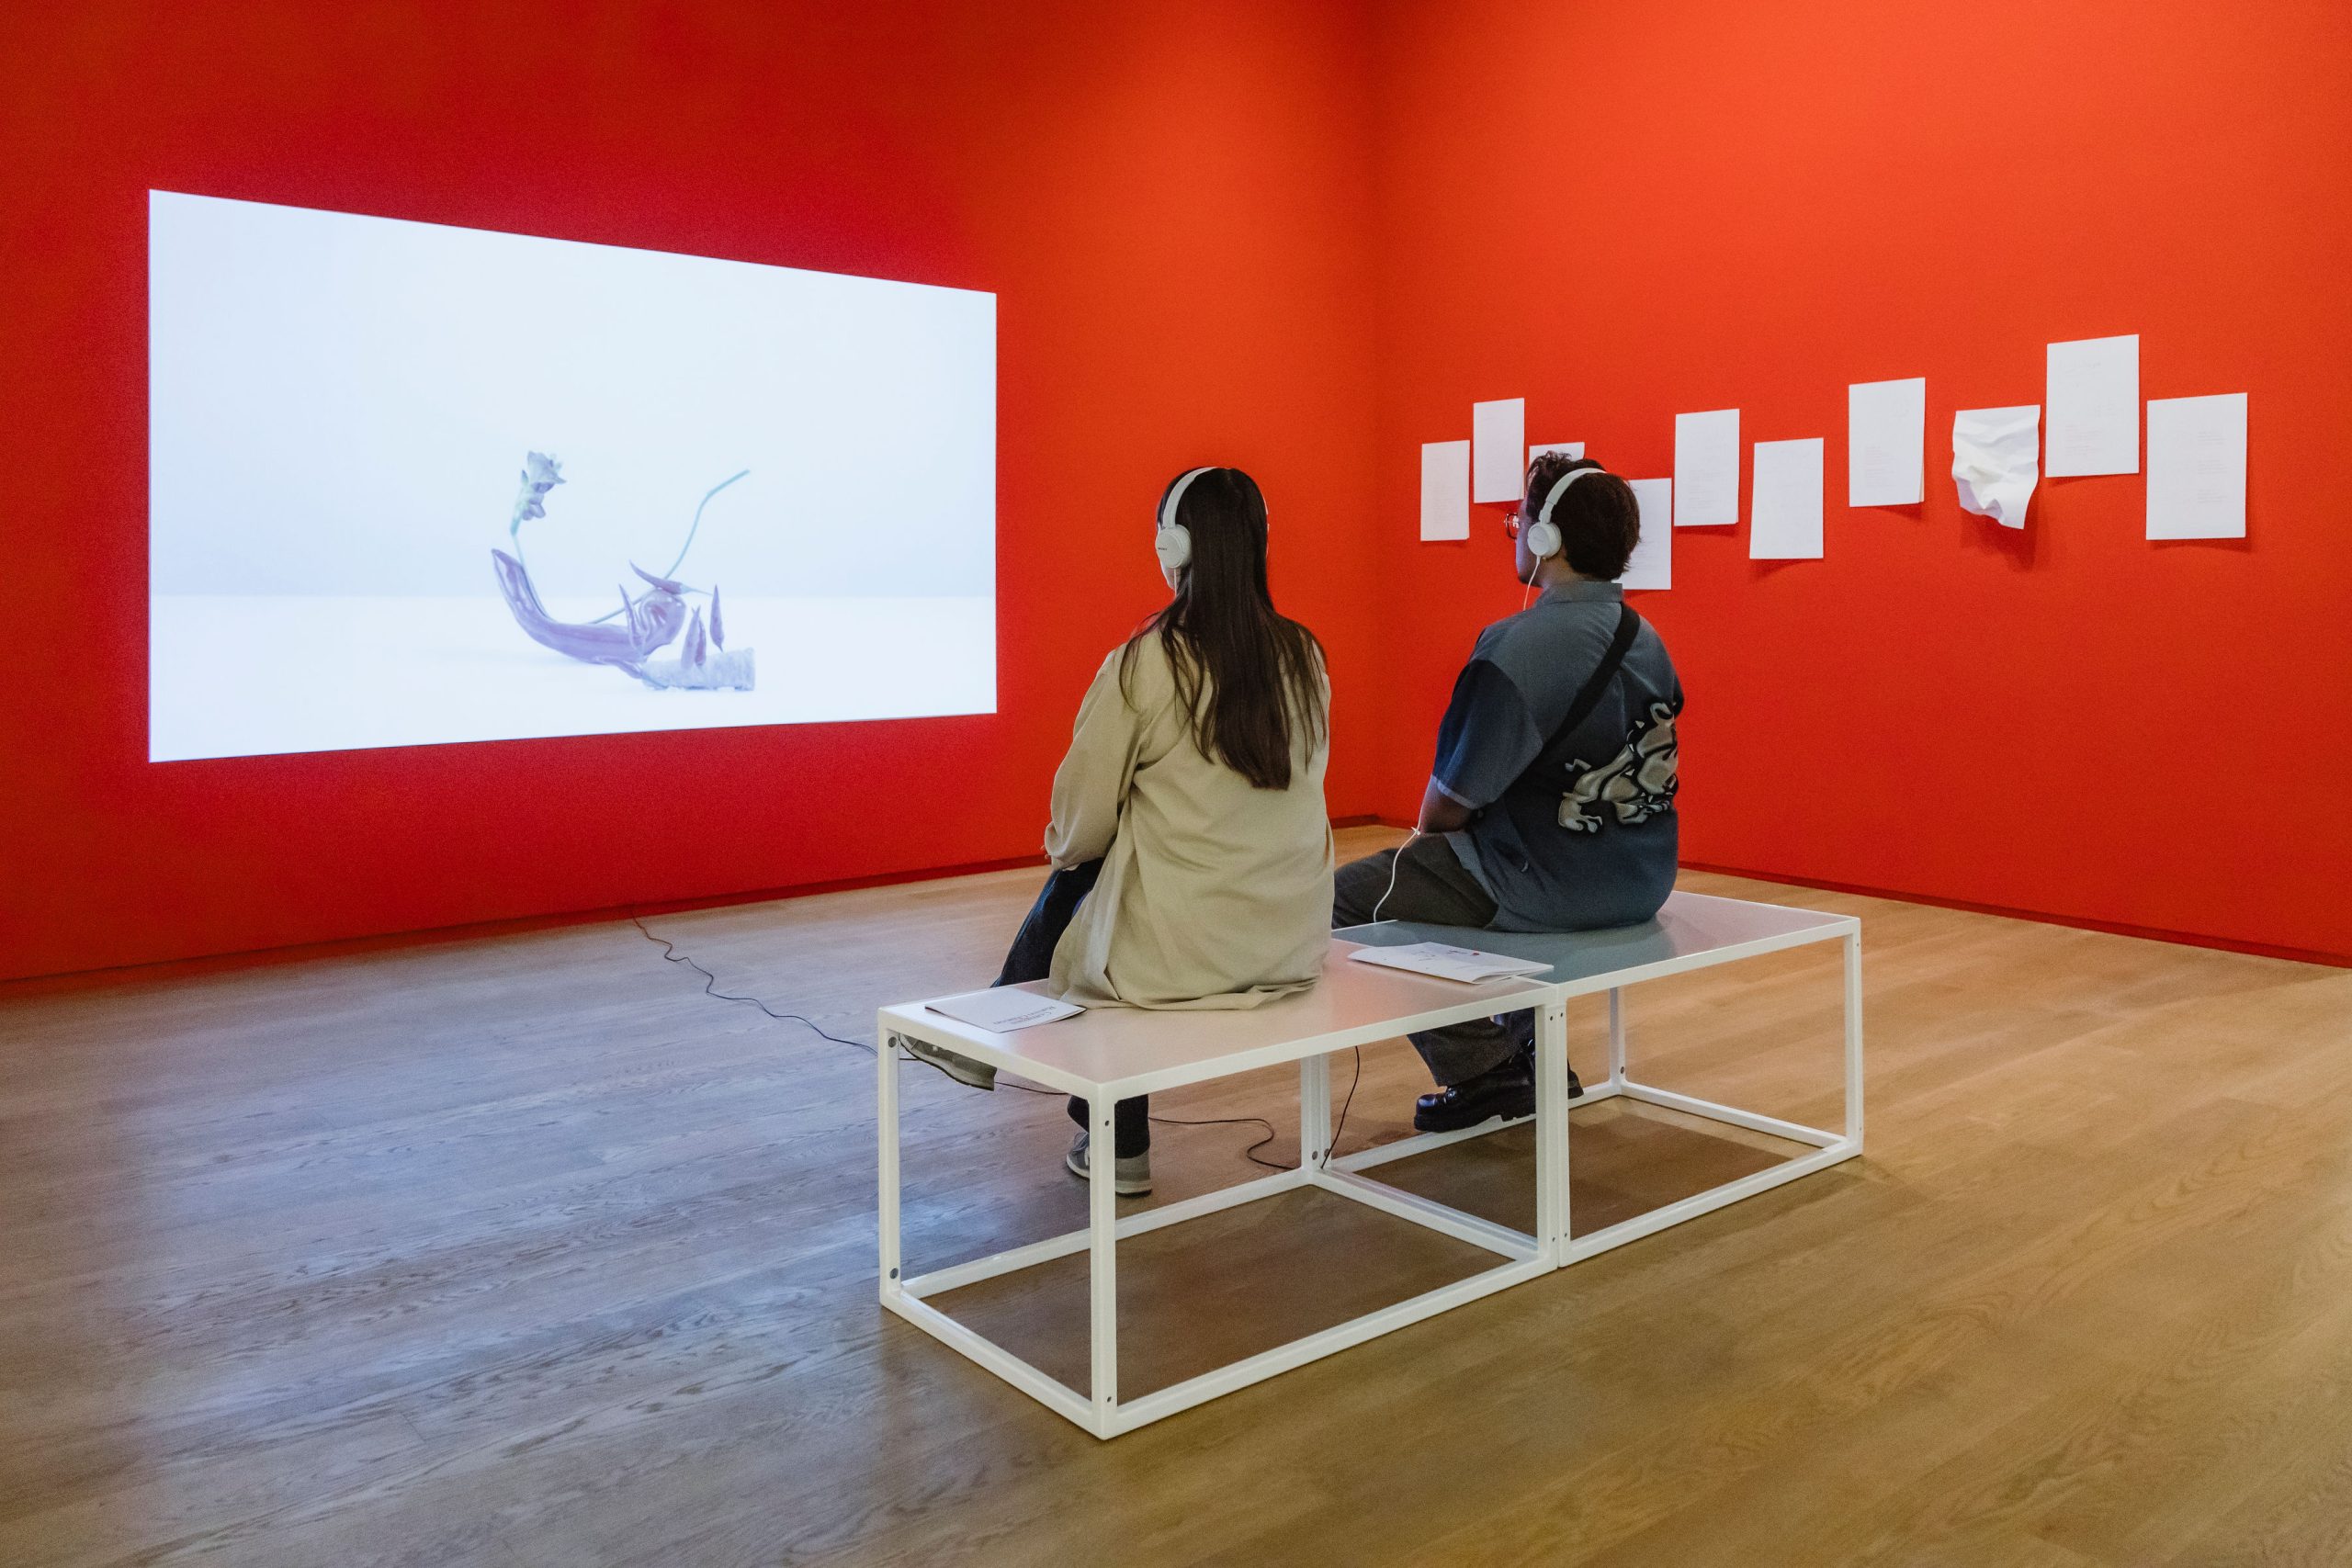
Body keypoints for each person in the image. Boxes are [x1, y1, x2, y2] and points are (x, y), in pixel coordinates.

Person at [909, 466, 1334, 1196]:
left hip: (1179, 955)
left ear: (1174, 546)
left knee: (1085, 881)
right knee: (1118, 884)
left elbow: (1078, 827)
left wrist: (1083, 852)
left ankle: (1094, 1120)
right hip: (1290, 939)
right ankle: (1041, 1074)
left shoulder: (1148, 662)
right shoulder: (1306, 656)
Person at [1331, 452, 1683, 1132]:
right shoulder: (1650, 639)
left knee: (1345, 900)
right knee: (1469, 869)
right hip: (1641, 878)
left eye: (1518, 518)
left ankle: (1485, 1068)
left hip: (1549, 883)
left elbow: (1445, 807)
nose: (1514, 528)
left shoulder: (1517, 645)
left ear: (1546, 538)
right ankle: (1534, 1051)